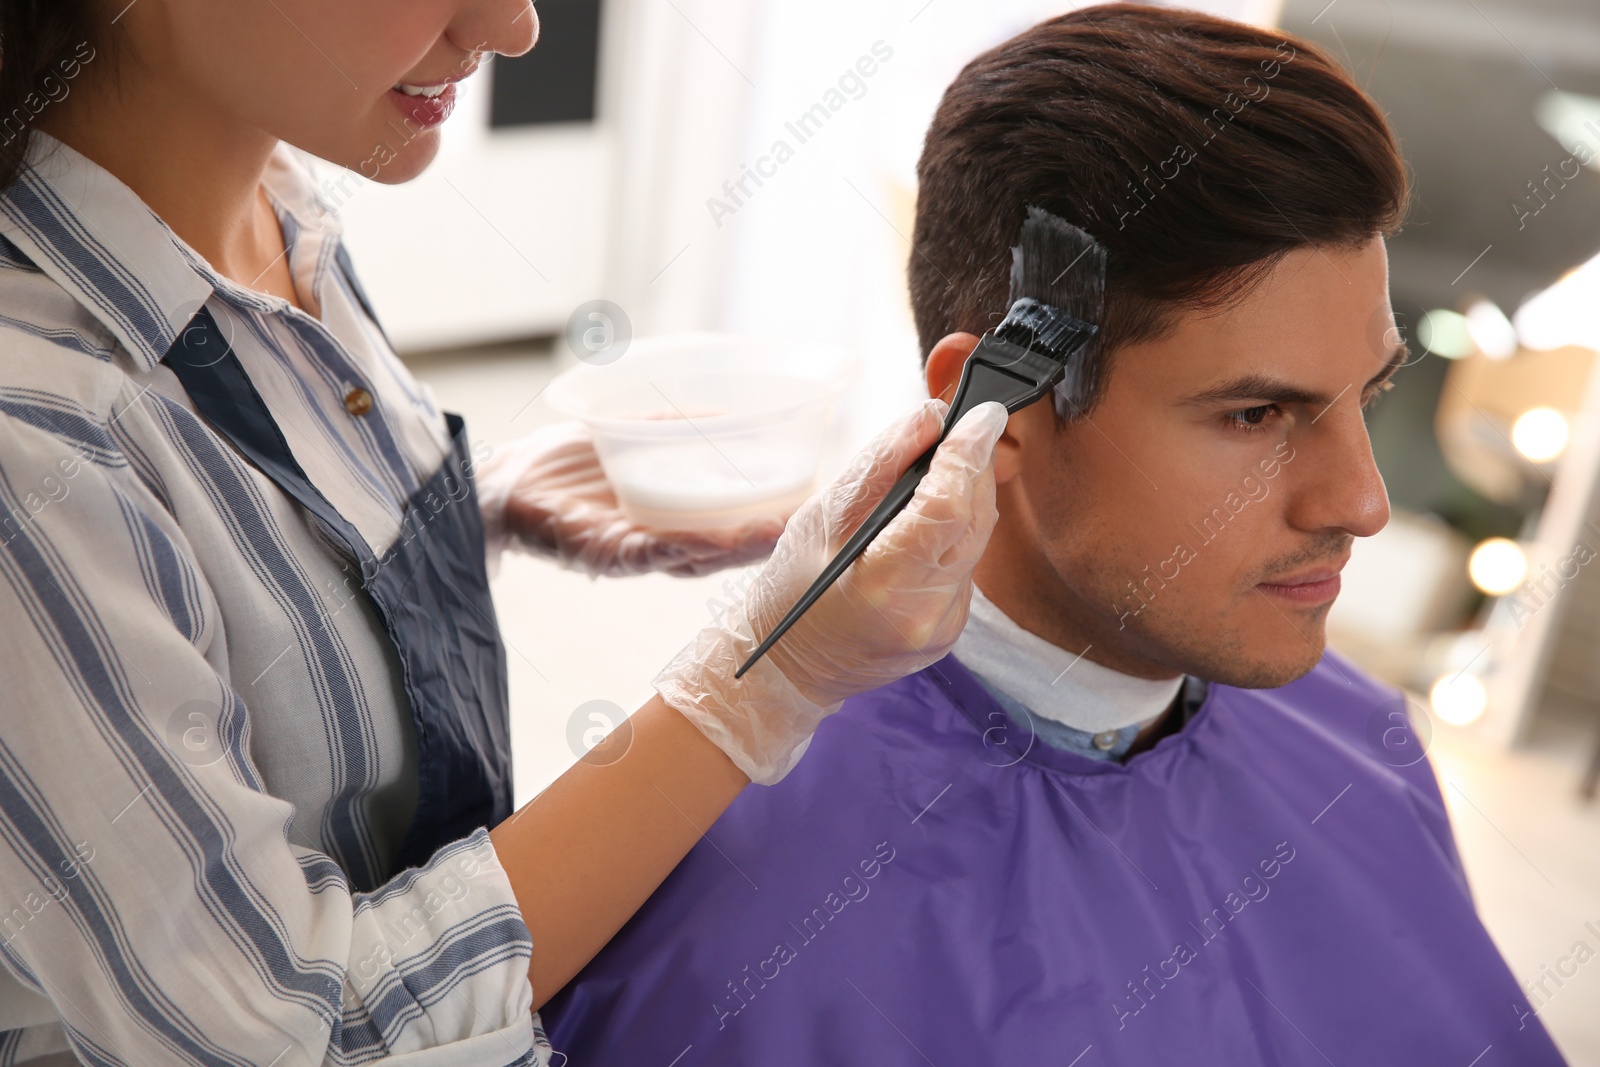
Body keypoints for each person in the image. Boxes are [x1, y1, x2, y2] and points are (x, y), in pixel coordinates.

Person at [538, 7, 1570, 1064]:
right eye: (1256, 415)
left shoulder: (1361, 743)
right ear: (1000, 412)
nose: (1360, 502)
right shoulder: (736, 913)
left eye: (1373, 391)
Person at [0, 1, 1009, 1063]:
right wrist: (759, 680)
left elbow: (224, 631)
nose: (513, 25)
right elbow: (294, 1031)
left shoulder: (276, 210)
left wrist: (457, 513)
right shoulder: (37, 440)